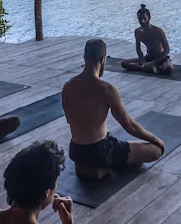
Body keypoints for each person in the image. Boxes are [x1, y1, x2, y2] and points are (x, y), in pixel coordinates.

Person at [63, 39, 164, 171]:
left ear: (84, 58)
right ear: (102, 59)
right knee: (155, 151)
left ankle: (119, 158)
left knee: (112, 139)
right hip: (99, 152)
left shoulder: (68, 86)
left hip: (75, 150)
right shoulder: (107, 89)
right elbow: (130, 126)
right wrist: (156, 140)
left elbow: (69, 120)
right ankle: (119, 160)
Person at [120, 5, 173, 75]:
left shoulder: (158, 31)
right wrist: (144, 61)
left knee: (169, 68)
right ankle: (148, 67)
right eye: (140, 19)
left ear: (149, 18)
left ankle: (151, 67)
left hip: (161, 58)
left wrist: (153, 62)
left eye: (144, 18)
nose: (142, 21)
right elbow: (138, 49)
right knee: (124, 63)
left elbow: (166, 50)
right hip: (149, 57)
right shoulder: (138, 32)